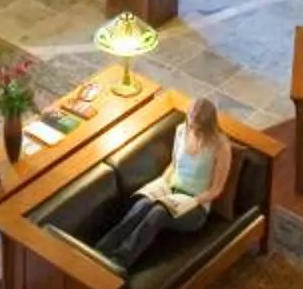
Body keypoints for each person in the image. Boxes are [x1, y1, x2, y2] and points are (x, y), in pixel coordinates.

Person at [98, 94, 235, 269]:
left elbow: (216, 189)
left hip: (196, 204)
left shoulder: (220, 145)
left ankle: (119, 261)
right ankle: (102, 249)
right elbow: (174, 165)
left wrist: (193, 201)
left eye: (197, 128)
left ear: (208, 126)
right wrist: (162, 184)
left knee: (158, 213)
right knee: (143, 205)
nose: (192, 129)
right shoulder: (181, 130)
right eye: (190, 123)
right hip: (171, 189)